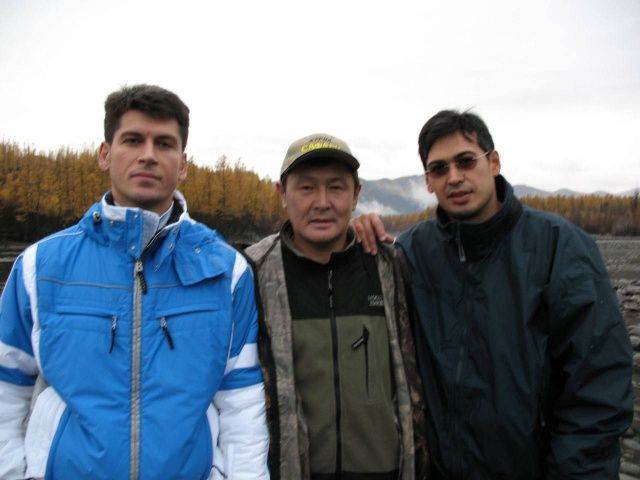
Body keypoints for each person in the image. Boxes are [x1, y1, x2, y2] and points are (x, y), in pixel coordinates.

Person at [0, 84, 269, 480]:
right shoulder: (39, 267)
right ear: (105, 154)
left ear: (183, 164)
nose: (148, 154)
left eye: (164, 143)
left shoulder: (227, 272)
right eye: (132, 140)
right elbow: (7, 388)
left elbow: (240, 402)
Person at [353, 110, 633, 479]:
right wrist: (352, 233)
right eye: (439, 169)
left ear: (494, 162)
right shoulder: (414, 252)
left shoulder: (558, 247)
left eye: (466, 161)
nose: (455, 177)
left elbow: (597, 383)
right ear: (428, 182)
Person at [245, 133, 428, 479]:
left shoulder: (390, 268)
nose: (322, 202)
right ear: (281, 193)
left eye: (336, 188)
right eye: (306, 188)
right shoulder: (251, 273)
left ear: (356, 194)